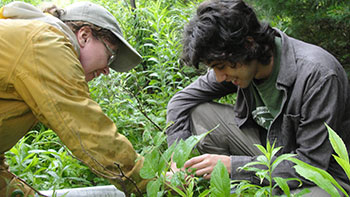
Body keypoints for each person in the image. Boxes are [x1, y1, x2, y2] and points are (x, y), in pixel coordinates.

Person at [166, 0, 350, 195]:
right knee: (199, 112)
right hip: (269, 151)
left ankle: (255, 183)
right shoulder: (239, 61)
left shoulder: (318, 75)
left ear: (248, 44)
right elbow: (180, 102)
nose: (219, 77)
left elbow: (312, 164)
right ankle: (245, 185)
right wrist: (177, 162)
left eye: (221, 66)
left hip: (324, 174)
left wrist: (234, 166)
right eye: (214, 68)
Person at [0, 1, 148, 196]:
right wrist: (153, 180)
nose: (106, 71)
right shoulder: (46, 44)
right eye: (110, 56)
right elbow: (88, 132)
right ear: (84, 35)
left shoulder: (32, 38)